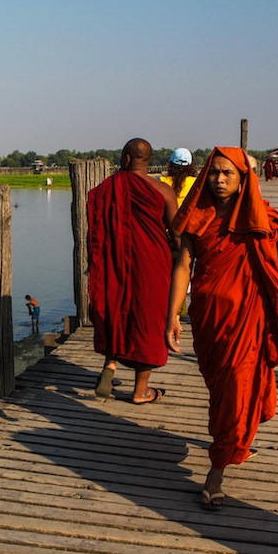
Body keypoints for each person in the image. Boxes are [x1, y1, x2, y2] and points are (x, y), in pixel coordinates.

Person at [165, 146, 278, 511]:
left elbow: (271, 276)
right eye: (215, 172)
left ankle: (215, 473)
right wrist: (173, 314)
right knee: (221, 390)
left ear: (243, 179)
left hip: (247, 320)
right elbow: (183, 266)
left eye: (228, 174)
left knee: (237, 388)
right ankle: (234, 437)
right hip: (208, 319)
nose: (220, 180)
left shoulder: (263, 220)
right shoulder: (197, 216)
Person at [88, 138, 179, 403]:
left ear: (125, 159)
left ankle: (112, 361)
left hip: (114, 262)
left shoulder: (106, 188)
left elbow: (97, 229)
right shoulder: (163, 191)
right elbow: (176, 234)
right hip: (153, 263)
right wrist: (184, 266)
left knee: (116, 307)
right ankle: (141, 390)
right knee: (147, 321)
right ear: (149, 161)